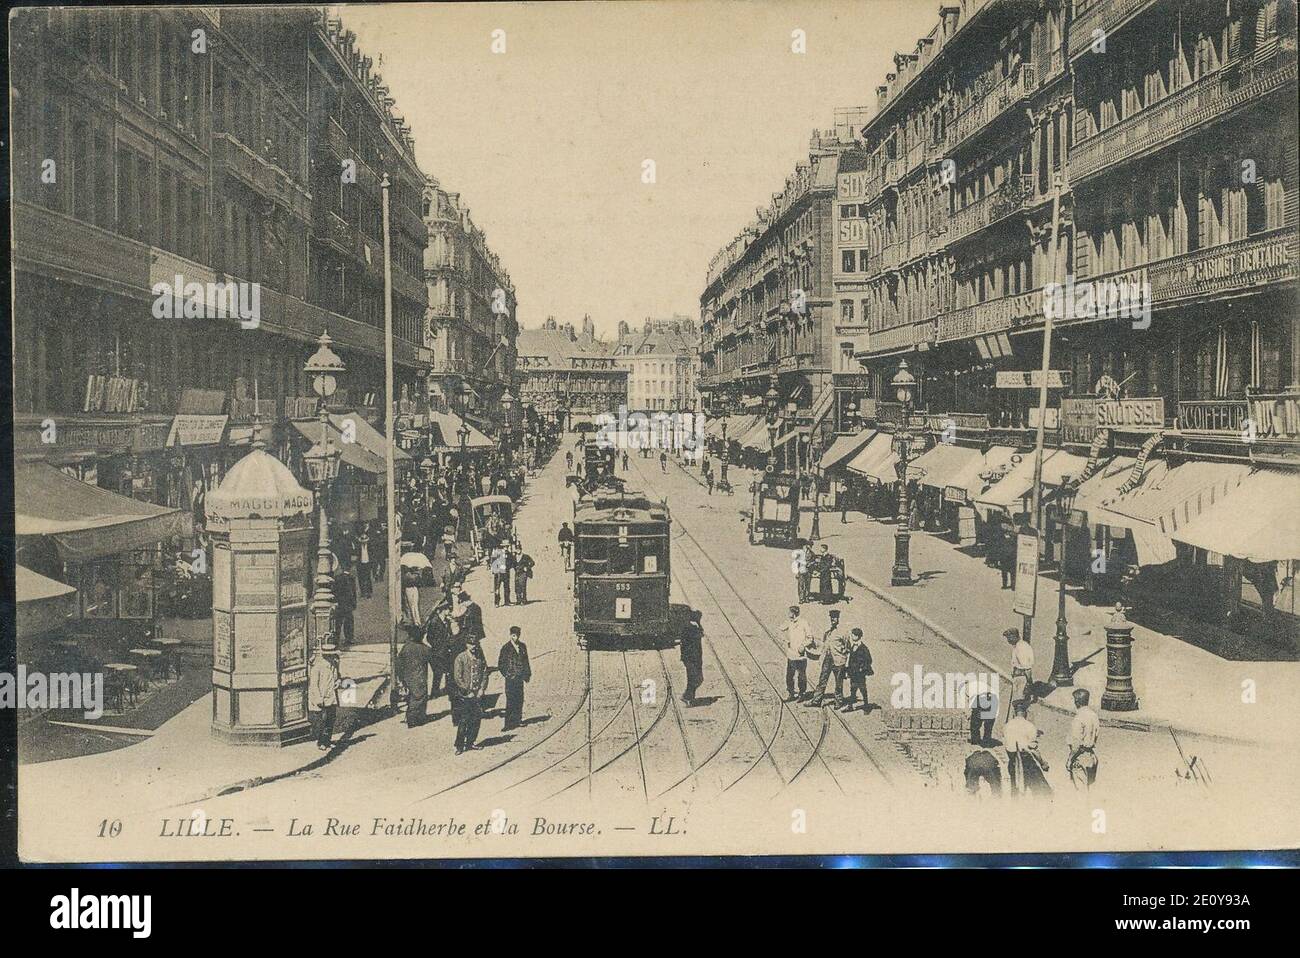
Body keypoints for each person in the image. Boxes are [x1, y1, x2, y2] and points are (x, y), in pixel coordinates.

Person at [1003, 700, 1052, 798]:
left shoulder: (1007, 726)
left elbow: (1006, 744)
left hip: (1012, 762)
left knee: (1015, 792)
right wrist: (1043, 763)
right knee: (1045, 792)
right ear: (1025, 713)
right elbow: (1033, 750)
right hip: (1026, 762)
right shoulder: (1030, 726)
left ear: (1014, 712)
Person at [805, 609, 850, 708]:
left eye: (835, 618)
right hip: (828, 659)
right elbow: (824, 645)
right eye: (832, 618)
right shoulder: (828, 632)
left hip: (839, 660)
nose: (833, 620)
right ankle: (816, 700)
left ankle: (838, 701)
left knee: (839, 683)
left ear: (838, 619)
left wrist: (844, 660)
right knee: (822, 680)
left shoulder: (843, 632)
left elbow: (847, 647)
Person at [452, 635, 488, 753]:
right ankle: (459, 745)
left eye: (475, 644)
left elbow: (484, 674)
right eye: (470, 644)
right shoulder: (461, 658)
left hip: (477, 695)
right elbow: (458, 678)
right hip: (465, 696)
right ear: (466, 644)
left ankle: (471, 742)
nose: (473, 647)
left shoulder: (479, 658)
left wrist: (482, 689)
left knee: (476, 719)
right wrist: (468, 691)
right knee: (464, 720)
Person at [396, 624, 433, 728]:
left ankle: (413, 717)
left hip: (407, 676)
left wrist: (400, 677)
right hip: (419, 677)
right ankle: (414, 719)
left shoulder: (406, 647)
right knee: (419, 697)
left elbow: (399, 663)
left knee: (411, 696)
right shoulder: (424, 649)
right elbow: (433, 659)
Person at [497, 625, 532, 731]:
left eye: (517, 636)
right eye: (513, 636)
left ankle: (518, 720)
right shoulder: (505, 648)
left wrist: (527, 674)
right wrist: (507, 674)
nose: (515, 638)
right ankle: (508, 723)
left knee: (519, 699)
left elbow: (526, 661)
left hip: (520, 678)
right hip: (510, 679)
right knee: (510, 700)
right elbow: (501, 664)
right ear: (510, 635)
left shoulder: (522, 646)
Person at [308, 642, 342, 750]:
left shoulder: (334, 665)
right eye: (331, 655)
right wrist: (318, 698)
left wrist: (338, 681)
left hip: (331, 697)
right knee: (322, 721)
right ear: (325, 656)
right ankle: (321, 742)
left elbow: (338, 677)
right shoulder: (317, 667)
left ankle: (327, 741)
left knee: (331, 719)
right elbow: (314, 684)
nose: (333, 658)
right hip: (321, 698)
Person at [1066, 688, 1100, 791]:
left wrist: (1070, 760)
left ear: (1076, 701)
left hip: (1080, 758)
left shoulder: (1078, 718)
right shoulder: (1094, 715)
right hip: (1091, 756)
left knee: (1080, 793)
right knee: (1089, 789)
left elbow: (1076, 745)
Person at [780, 605, 814, 702]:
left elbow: (810, 637)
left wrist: (803, 645)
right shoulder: (790, 623)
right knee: (789, 675)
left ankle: (802, 693)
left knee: (801, 675)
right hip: (791, 654)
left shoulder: (803, 623)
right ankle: (791, 693)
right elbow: (781, 628)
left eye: (789, 612)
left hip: (800, 656)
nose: (788, 614)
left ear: (793, 613)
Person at [424, 601, 455, 697]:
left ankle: (446, 688)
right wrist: (437, 646)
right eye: (447, 609)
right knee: (438, 672)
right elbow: (429, 637)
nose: (449, 610)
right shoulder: (434, 622)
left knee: (447, 670)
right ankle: (434, 692)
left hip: (445, 650)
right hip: (438, 652)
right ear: (441, 610)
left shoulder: (446, 620)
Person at [843, 628, 873, 712]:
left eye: (853, 634)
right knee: (853, 689)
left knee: (863, 689)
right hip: (853, 672)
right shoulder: (853, 646)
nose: (851, 636)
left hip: (860, 673)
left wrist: (862, 668)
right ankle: (850, 706)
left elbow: (869, 660)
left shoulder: (864, 648)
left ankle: (866, 706)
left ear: (857, 636)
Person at [1006, 627, 1034, 717]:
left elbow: (1027, 667)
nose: (1008, 640)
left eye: (1009, 638)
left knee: (1019, 704)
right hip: (1019, 678)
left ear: (1014, 636)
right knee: (1018, 703)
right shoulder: (1018, 646)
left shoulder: (1021, 648)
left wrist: (1029, 683)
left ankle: (1020, 723)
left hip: (1021, 678)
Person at [679, 610, 705, 706]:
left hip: (695, 657)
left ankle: (689, 697)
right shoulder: (689, 628)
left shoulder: (694, 627)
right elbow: (685, 645)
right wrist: (685, 659)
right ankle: (687, 697)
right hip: (690, 658)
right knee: (694, 678)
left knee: (696, 678)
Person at [334, 560, 358, 648]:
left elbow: (335, 591)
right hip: (348, 604)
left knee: (338, 622)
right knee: (349, 621)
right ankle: (349, 638)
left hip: (340, 603)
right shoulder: (351, 578)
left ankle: (336, 639)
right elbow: (353, 592)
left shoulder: (337, 578)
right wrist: (354, 603)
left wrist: (335, 601)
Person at [356, 528, 373, 599]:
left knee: (368, 578)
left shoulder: (370, 546)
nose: (364, 541)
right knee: (361, 579)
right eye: (362, 539)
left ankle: (369, 592)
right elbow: (355, 554)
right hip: (360, 564)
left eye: (365, 539)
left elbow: (372, 555)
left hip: (367, 563)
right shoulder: (358, 547)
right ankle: (363, 592)